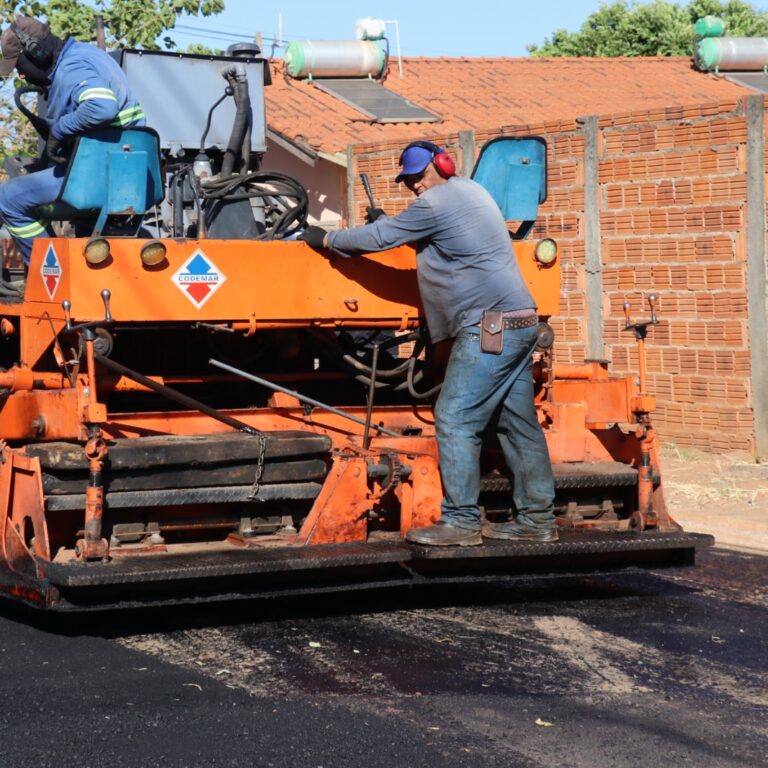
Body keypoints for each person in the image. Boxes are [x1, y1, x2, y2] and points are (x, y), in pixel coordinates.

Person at [298, 140, 557, 546]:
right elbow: (445, 236)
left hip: (489, 327)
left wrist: (329, 239)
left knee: (455, 418)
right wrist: (396, 224)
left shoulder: (435, 203)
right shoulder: (472, 191)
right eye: (408, 180)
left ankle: (460, 523)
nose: (415, 184)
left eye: (419, 175)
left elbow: (380, 237)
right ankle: (537, 520)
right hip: (520, 321)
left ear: (443, 165)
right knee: (516, 424)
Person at [0, 16, 145, 272]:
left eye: (20, 65)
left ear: (36, 52)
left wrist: (59, 129)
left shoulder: (71, 67)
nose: (21, 75)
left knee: (8, 198)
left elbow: (102, 107)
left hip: (98, 174)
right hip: (128, 172)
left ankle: (48, 277)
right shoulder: (89, 54)